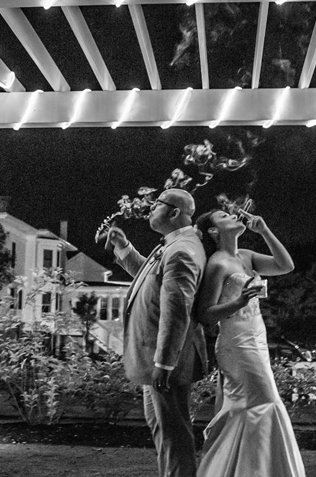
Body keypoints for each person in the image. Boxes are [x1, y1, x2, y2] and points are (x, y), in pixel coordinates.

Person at [104, 188, 208, 477]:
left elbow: (177, 311)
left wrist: (164, 363)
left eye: (157, 204)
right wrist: (124, 248)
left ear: (175, 212)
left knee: (174, 435)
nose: (150, 208)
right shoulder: (174, 245)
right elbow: (151, 279)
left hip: (163, 362)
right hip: (156, 359)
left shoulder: (182, 250)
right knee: (164, 431)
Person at [193, 209, 303, 477]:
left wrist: (264, 230)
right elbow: (205, 313)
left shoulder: (245, 257)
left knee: (255, 405)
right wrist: (239, 301)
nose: (232, 215)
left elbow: (285, 266)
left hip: (257, 337)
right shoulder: (217, 264)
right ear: (213, 231)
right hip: (236, 342)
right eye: (223, 216)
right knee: (263, 402)